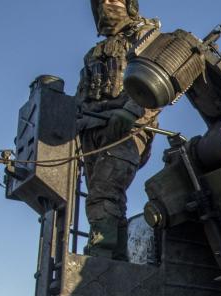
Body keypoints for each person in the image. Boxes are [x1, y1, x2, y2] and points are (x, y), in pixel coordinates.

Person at [76, 0, 160, 260]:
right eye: (101, 2)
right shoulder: (94, 53)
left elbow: (158, 83)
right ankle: (116, 261)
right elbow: (81, 97)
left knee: (104, 192)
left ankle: (99, 256)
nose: (106, 6)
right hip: (92, 130)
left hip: (127, 130)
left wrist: (131, 112)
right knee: (107, 200)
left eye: (114, 0)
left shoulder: (144, 36)